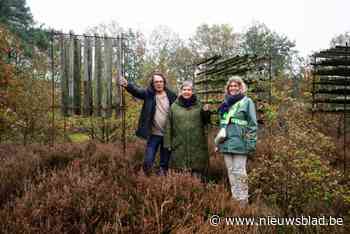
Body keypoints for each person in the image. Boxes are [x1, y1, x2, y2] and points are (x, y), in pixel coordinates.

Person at [119, 72, 177, 175]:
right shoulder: (149, 94)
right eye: (156, 82)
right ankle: (147, 181)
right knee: (148, 161)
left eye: (161, 81)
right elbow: (137, 91)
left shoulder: (172, 96)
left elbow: (181, 107)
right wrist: (127, 85)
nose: (159, 84)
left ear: (164, 83)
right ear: (153, 84)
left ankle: (161, 183)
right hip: (154, 134)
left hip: (168, 135)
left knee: (164, 163)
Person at [214, 76, 257, 206]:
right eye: (231, 86)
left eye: (235, 86)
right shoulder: (225, 103)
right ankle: (235, 199)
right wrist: (218, 142)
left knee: (240, 172)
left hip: (240, 142)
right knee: (231, 172)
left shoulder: (247, 102)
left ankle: (243, 202)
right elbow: (223, 124)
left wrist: (251, 143)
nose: (233, 88)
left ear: (240, 87)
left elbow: (253, 124)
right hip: (226, 142)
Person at [164, 80, 211, 179]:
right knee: (180, 171)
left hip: (197, 143)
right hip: (179, 143)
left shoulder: (199, 105)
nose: (187, 92)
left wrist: (206, 112)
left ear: (192, 91)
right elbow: (168, 125)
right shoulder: (174, 107)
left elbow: (206, 122)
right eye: (184, 89)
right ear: (180, 91)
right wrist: (167, 143)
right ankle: (184, 188)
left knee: (197, 173)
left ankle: (198, 189)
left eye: (189, 90)